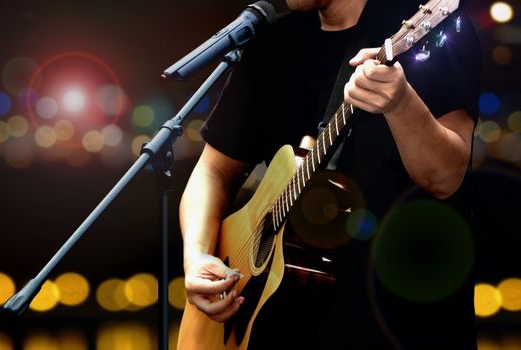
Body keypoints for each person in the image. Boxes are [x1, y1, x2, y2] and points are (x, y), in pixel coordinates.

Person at [179, 0, 482, 349]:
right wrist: (197, 257)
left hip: (402, 325)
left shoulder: (424, 26)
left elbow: (445, 179)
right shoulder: (273, 43)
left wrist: (400, 104)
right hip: (279, 327)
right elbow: (213, 169)